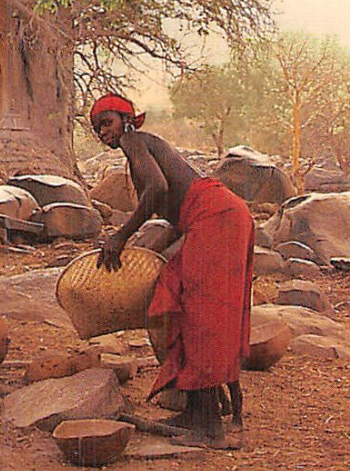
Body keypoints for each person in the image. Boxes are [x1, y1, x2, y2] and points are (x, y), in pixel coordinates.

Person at [91, 93, 252, 447]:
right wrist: (144, 251)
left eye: (107, 123)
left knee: (199, 311)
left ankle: (208, 425)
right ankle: (198, 410)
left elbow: (158, 188)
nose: (103, 133)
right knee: (182, 300)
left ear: (126, 119)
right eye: (97, 129)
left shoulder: (135, 140)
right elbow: (173, 207)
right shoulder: (142, 146)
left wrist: (119, 237)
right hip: (214, 216)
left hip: (216, 216)